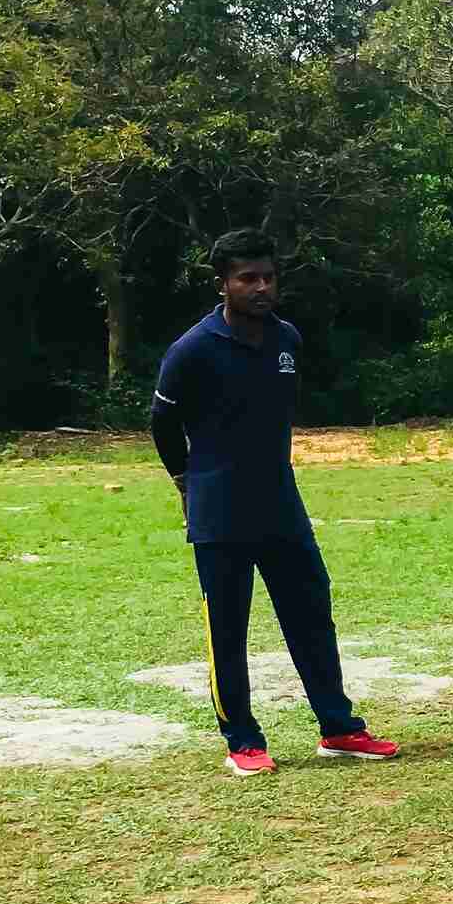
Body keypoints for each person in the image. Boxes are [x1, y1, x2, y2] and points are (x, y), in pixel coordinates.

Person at [150, 229, 398, 776]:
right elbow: (162, 425)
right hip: (219, 511)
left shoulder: (286, 339)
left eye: (268, 277)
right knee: (228, 626)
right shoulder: (192, 350)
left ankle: (338, 728)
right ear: (223, 285)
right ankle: (242, 739)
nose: (261, 287)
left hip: (282, 505)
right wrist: (186, 484)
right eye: (248, 279)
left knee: (311, 613)